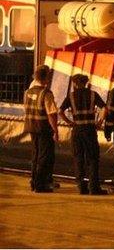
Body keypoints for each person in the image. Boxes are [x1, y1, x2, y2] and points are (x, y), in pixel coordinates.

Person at [59, 74, 107, 195]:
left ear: (75, 83)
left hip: (77, 129)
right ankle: (94, 188)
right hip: (90, 130)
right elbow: (105, 109)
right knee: (92, 158)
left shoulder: (71, 96)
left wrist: (69, 122)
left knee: (78, 157)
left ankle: (81, 187)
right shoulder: (93, 94)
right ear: (86, 83)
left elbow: (60, 111)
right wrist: (99, 122)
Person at [23, 65, 59, 193]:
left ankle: (33, 182)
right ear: (46, 77)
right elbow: (52, 114)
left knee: (35, 155)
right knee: (45, 156)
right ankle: (40, 184)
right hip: (43, 128)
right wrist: (55, 130)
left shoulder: (27, 92)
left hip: (31, 126)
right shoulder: (46, 93)